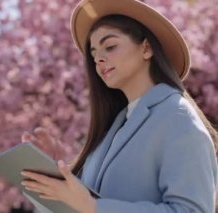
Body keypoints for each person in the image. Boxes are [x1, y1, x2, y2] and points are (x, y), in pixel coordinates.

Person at [20, 0, 218, 212]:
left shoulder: (177, 117)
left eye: (110, 46)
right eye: (94, 54)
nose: (99, 59)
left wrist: (94, 207)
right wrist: (55, 175)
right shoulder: (113, 130)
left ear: (147, 48)